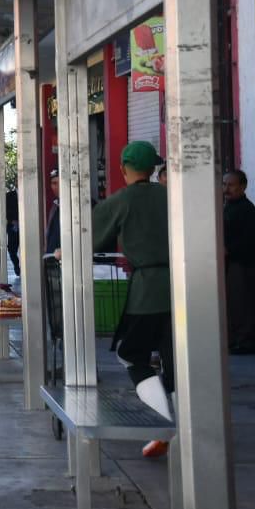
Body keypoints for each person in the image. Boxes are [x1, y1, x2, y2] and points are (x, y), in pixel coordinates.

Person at [83, 141, 173, 458]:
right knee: (175, 358)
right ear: (153, 168)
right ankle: (188, 427)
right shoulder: (170, 196)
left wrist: (63, 251)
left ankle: (163, 425)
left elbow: (88, 238)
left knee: (131, 353)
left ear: (123, 169)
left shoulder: (122, 200)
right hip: (183, 287)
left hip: (147, 290)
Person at [223, 170, 255, 355]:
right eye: (224, 185)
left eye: (231, 185)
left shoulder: (247, 209)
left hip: (241, 264)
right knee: (231, 304)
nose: (226, 189)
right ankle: (234, 340)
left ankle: (245, 342)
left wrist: (230, 249)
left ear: (243, 186)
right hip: (230, 263)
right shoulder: (228, 207)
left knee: (242, 303)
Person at [45, 170, 62, 255]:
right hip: (52, 256)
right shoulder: (55, 205)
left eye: (59, 183)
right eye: (54, 183)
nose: (57, 186)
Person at [5, 187, 21, 276]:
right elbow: (5, 210)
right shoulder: (9, 195)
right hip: (13, 226)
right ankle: (16, 265)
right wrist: (12, 220)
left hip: (26, 225)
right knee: (11, 249)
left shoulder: (29, 194)